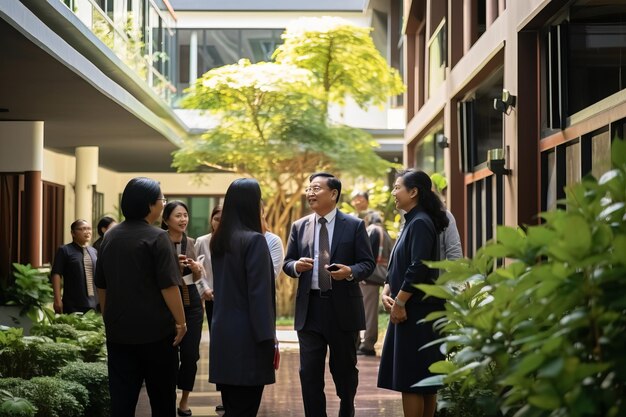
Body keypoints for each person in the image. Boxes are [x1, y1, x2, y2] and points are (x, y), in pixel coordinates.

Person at [283, 172, 375, 417]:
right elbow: (287, 262)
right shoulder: (299, 226)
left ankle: (347, 407)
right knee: (309, 372)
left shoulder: (354, 225)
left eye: (316, 188)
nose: (310, 193)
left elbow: (367, 263)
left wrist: (349, 271)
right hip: (310, 309)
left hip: (342, 308)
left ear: (333, 194)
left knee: (343, 369)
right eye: (309, 189)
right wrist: (295, 266)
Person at [95, 177, 187, 417]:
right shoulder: (157, 237)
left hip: (119, 334)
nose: (162, 204)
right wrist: (181, 322)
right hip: (156, 334)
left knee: (122, 401)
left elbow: (101, 285)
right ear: (149, 205)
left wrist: (108, 318)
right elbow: (168, 286)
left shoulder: (109, 237)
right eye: (161, 200)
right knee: (162, 400)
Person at [377, 169, 450, 417]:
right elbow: (400, 262)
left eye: (397, 187)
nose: (393, 192)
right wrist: (387, 286)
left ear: (414, 191)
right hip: (415, 309)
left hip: (415, 311)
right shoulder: (413, 219)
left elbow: (418, 266)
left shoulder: (420, 222)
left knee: (412, 380)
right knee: (424, 381)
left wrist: (399, 302)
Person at [209, 178, 276, 416]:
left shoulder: (220, 240)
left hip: (223, 333)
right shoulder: (254, 240)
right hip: (249, 338)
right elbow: (259, 296)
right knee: (246, 407)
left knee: (232, 406)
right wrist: (269, 340)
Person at [161, 201, 205, 417]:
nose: (183, 220)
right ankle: (167, 398)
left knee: (190, 355)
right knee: (168, 355)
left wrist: (197, 270)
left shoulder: (191, 242)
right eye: (178, 216)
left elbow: (196, 278)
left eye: (185, 215)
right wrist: (174, 269)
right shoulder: (159, 241)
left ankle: (184, 400)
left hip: (192, 303)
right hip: (166, 306)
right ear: (166, 219)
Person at [357, 211, 392, 356]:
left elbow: (367, 255)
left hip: (369, 276)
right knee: (370, 311)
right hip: (381, 275)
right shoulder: (385, 233)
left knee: (368, 312)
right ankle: (367, 342)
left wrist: (362, 273)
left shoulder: (372, 231)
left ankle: (368, 344)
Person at [51, 219, 98, 314]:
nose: (87, 232)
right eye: (82, 229)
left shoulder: (94, 251)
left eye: (89, 229)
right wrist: (57, 300)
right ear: (73, 233)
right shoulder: (64, 250)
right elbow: (56, 274)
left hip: (95, 304)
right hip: (73, 304)